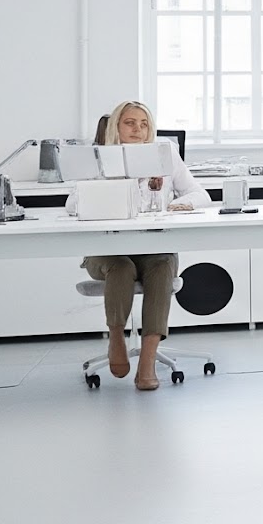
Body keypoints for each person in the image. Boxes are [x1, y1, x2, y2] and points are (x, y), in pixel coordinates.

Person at [83, 99, 207, 390]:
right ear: (116, 126)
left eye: (144, 123)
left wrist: (181, 204)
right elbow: (73, 202)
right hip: (108, 250)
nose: (138, 129)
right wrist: (104, 194)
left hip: (153, 248)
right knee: (122, 267)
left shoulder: (165, 156)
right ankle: (116, 338)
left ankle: (147, 361)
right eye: (129, 123)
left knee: (164, 264)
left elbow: (200, 193)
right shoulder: (100, 157)